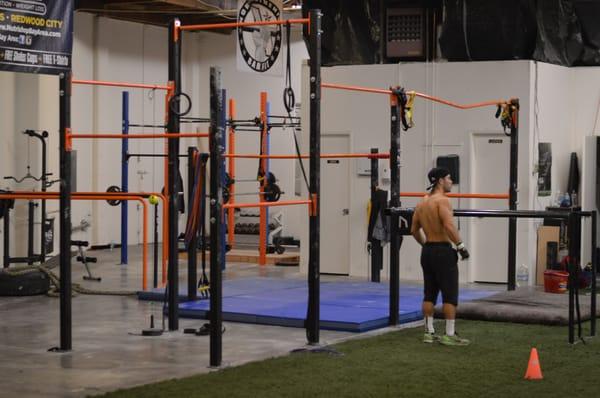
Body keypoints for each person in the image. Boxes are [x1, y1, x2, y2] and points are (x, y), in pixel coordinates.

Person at [410, 167, 471, 346]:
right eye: (449, 178)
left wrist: (426, 245)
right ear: (440, 181)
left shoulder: (421, 204)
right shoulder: (443, 201)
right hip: (443, 251)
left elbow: (413, 230)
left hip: (427, 251)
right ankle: (449, 335)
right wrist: (461, 246)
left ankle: (429, 333)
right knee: (449, 295)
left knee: (429, 294)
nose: (451, 181)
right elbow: (448, 226)